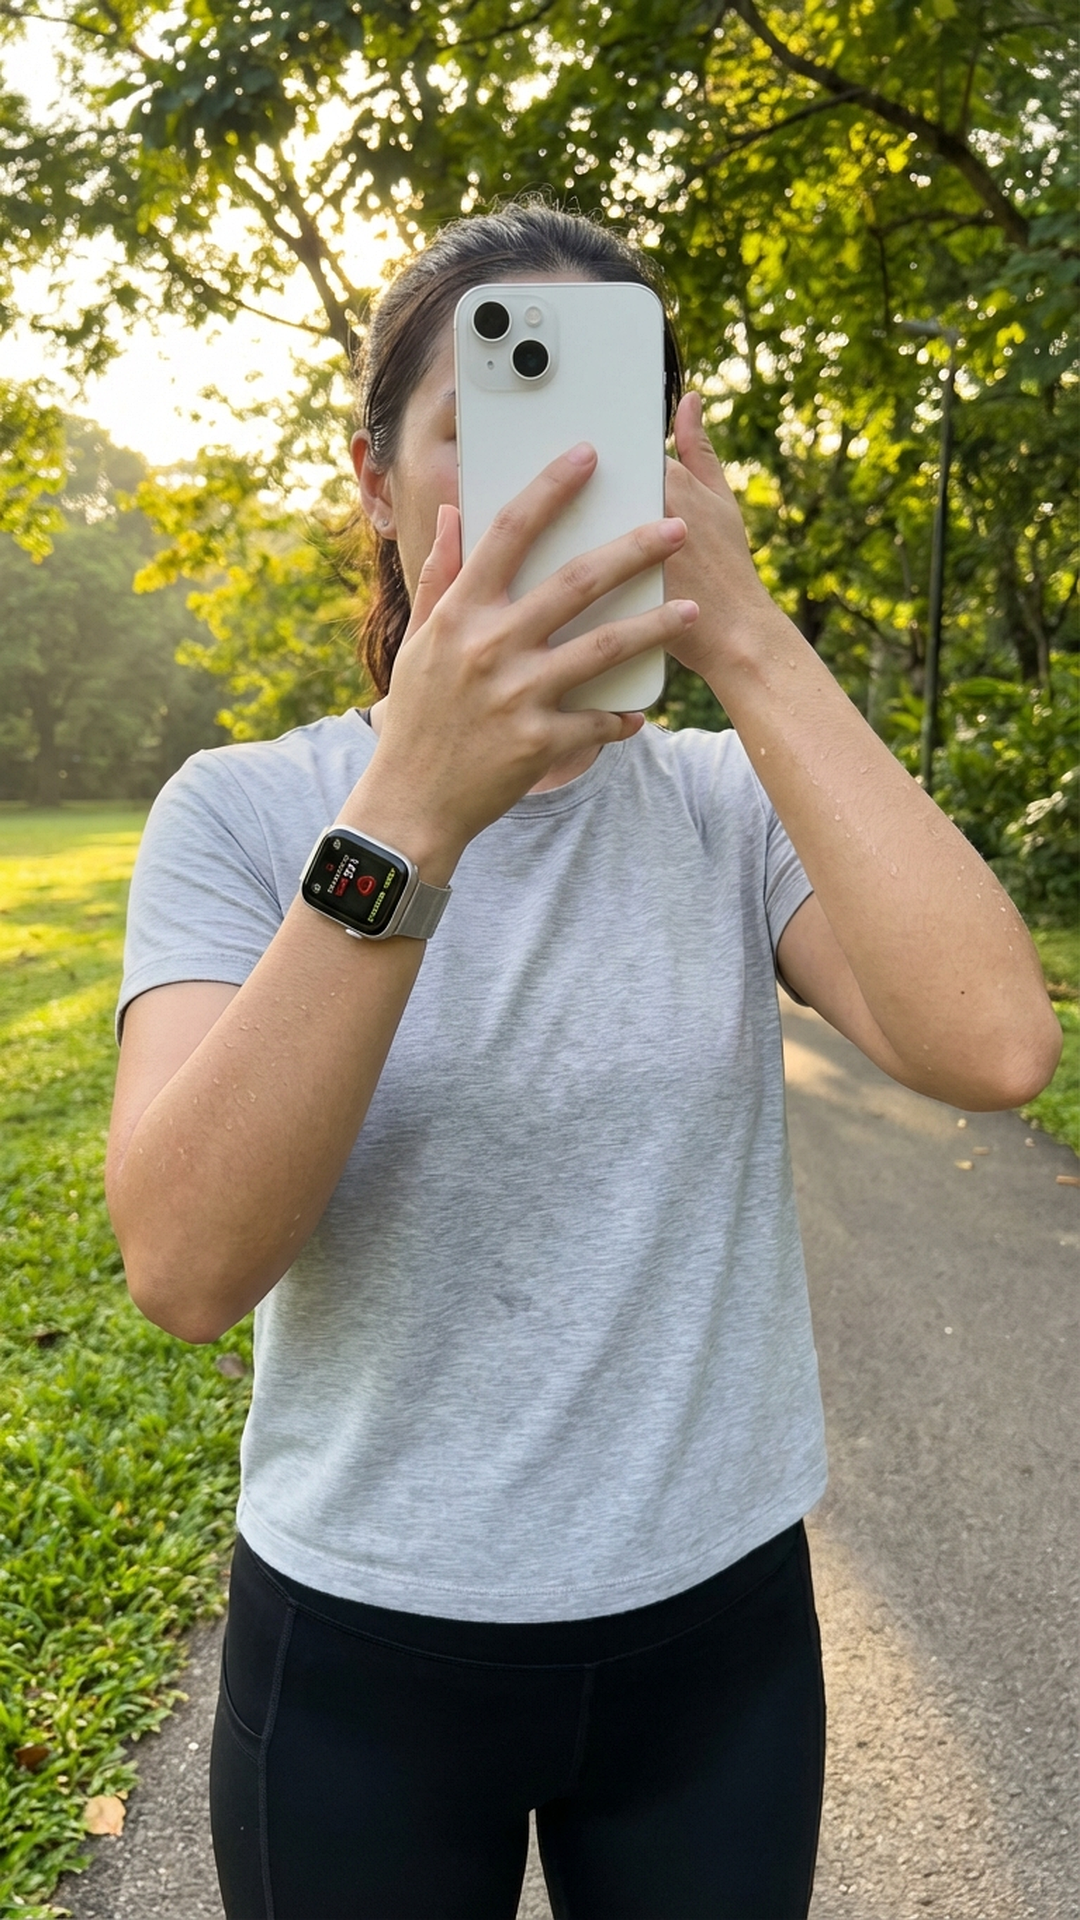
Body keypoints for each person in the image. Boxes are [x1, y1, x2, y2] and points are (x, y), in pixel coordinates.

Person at [105, 202, 1060, 1920]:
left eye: (610, 434)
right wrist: (411, 810)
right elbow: (183, 1265)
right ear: (375, 480)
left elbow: (994, 1045)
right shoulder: (247, 812)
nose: (557, 484)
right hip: (363, 1650)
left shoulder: (721, 802)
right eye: (491, 431)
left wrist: (748, 637)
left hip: (719, 1632)